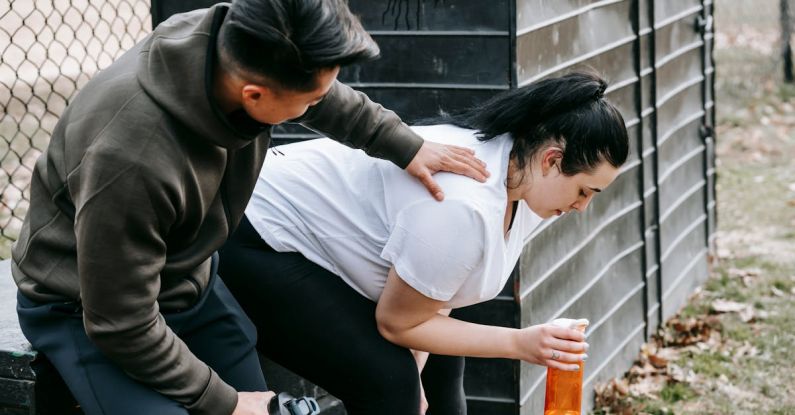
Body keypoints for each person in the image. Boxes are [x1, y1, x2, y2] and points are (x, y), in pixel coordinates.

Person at [9, 1, 488, 414]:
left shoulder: (239, 44)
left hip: (189, 276)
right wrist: (225, 401)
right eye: (308, 100)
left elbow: (322, 97)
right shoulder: (131, 158)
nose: (315, 105)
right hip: (83, 307)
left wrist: (404, 144)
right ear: (254, 96)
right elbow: (119, 321)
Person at [218, 71, 630, 415]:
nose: (582, 207)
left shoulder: (523, 182)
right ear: (552, 160)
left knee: (440, 379)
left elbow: (436, 293)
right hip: (253, 232)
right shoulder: (466, 204)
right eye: (585, 191)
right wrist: (519, 344)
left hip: (322, 245)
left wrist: (418, 372)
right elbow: (397, 323)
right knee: (389, 385)